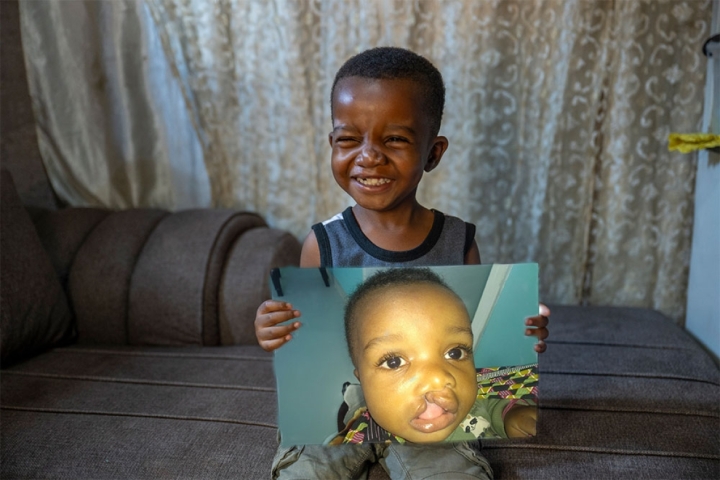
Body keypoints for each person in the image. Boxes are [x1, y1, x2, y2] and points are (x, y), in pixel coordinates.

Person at [255, 46, 550, 479]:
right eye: (349, 139)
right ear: (332, 145)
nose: (369, 156)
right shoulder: (321, 243)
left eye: (394, 139)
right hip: (349, 410)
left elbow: (473, 342)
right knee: (305, 471)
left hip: (431, 413)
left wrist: (522, 333)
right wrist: (275, 329)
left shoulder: (458, 241)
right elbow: (309, 341)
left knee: (455, 472)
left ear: (433, 153)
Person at [327, 267, 537, 446]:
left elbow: (490, 406)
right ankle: (354, 398)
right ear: (361, 376)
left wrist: (511, 415)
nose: (438, 377)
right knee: (353, 413)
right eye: (394, 362)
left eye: (455, 352)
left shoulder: (469, 401)